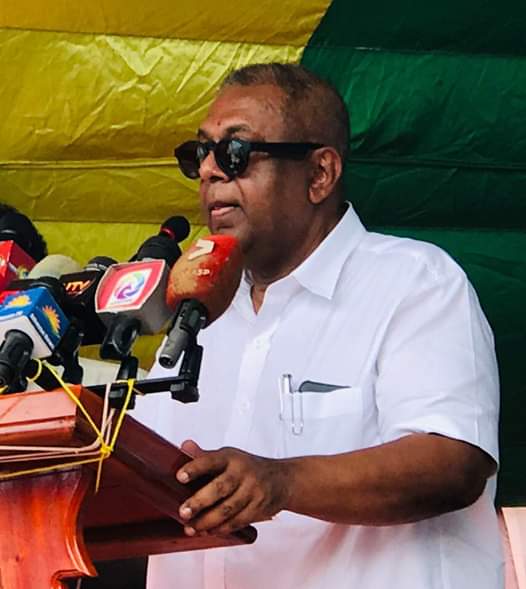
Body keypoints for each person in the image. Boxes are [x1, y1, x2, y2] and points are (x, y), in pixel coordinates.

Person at [137, 63, 502, 588]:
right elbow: (131, 472)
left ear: (319, 174)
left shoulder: (415, 282)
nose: (209, 171)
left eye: (235, 151)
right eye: (200, 153)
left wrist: (280, 481)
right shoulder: (198, 316)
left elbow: (453, 461)